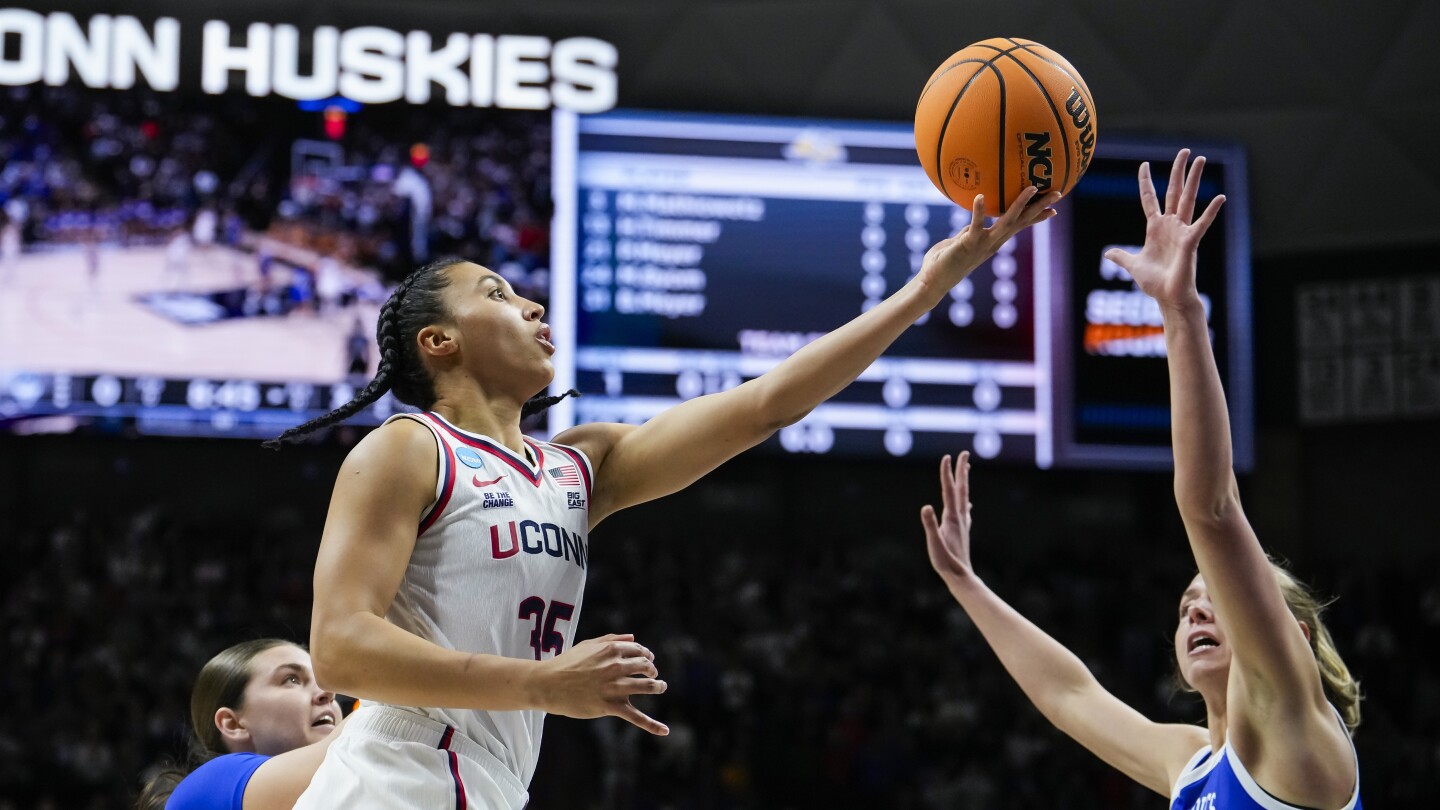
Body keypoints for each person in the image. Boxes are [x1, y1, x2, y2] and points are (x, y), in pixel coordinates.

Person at [262, 186, 1062, 808]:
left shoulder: (579, 468)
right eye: (499, 294)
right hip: (400, 771)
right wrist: (544, 685)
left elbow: (767, 405)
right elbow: (339, 648)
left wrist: (924, 290)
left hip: (488, 779)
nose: (533, 304)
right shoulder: (407, 447)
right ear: (438, 343)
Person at [920, 151, 1362, 809]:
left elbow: (1211, 512)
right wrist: (966, 583)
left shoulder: (1300, 735)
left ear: (1293, 637)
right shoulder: (1189, 761)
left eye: (1214, 592)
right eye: (1187, 606)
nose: (1196, 610)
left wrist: (1181, 314)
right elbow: (1070, 696)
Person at [135, 639, 347, 810]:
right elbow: (360, 739)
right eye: (291, 679)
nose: (327, 692)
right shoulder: (208, 787)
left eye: (322, 681)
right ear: (233, 724)